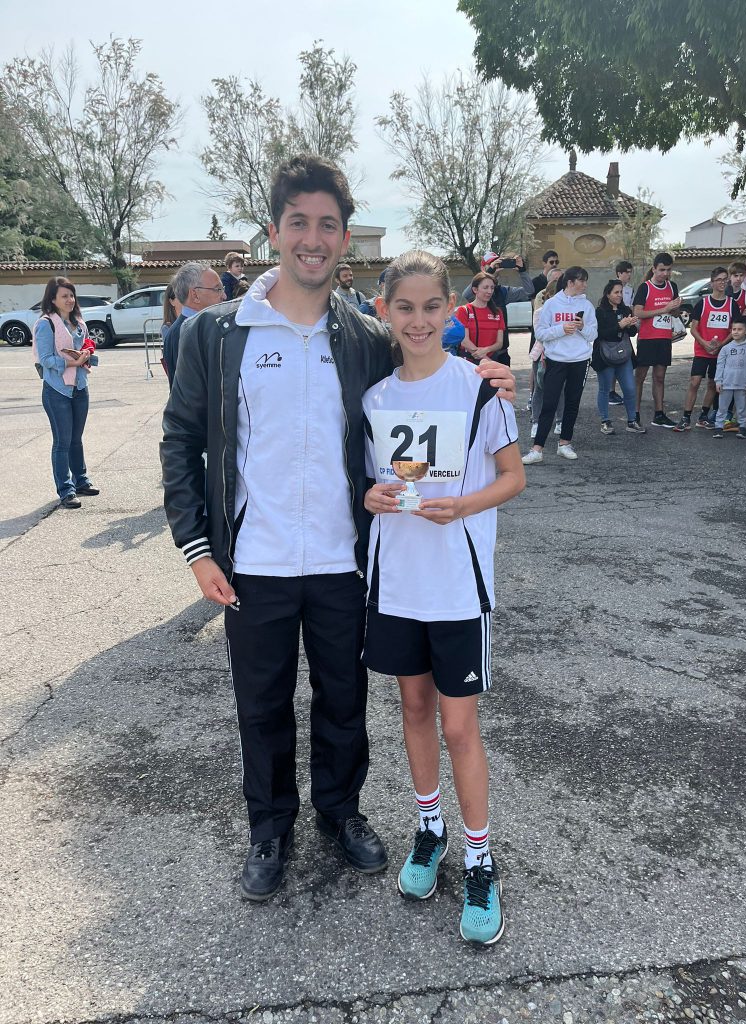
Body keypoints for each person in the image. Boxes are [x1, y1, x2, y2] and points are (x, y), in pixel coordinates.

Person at [159, 153, 516, 904]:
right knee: (260, 703)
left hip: (342, 559)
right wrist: (196, 549)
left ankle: (340, 811)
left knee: (343, 698)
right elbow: (181, 440)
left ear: (345, 238)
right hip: (252, 559)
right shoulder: (218, 334)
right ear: (273, 232)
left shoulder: (363, 337)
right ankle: (269, 828)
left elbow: (426, 363)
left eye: (328, 225)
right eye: (299, 223)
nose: (313, 239)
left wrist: (491, 375)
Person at [361, 250, 525, 946]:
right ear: (384, 312)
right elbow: (373, 484)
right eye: (405, 307)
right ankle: (430, 830)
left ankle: (481, 858)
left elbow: (513, 477)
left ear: (450, 309)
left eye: (432, 306)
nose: (419, 320)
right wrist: (371, 497)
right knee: (414, 709)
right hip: (399, 584)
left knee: (460, 727)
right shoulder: (374, 398)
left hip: (458, 586)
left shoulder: (480, 388)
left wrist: (461, 505)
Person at [33, 276, 100, 509]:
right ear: (53, 299)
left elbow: (85, 347)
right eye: (64, 296)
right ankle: (66, 490)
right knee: (62, 441)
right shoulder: (46, 324)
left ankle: (81, 481)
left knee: (76, 439)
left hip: (80, 387)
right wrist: (73, 362)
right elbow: (46, 359)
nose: (70, 299)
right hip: (57, 390)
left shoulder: (79, 323)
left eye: (71, 295)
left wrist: (87, 355)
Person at [521, 266, 597, 464]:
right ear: (570, 282)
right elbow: (540, 334)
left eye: (586, 281)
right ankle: (537, 449)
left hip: (580, 360)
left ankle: (565, 444)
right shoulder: (552, 304)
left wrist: (582, 327)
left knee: (572, 403)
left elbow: (593, 335)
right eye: (582, 280)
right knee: (549, 403)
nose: (585, 285)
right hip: (556, 360)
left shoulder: (587, 305)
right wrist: (561, 329)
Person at [673, 267, 739, 432]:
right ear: (712, 283)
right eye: (719, 280)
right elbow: (693, 328)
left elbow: (734, 330)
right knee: (694, 382)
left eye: (725, 279)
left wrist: (721, 345)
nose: (723, 282)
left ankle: (703, 416)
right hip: (702, 350)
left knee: (713, 383)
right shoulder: (703, 303)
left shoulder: (732, 304)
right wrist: (705, 343)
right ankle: (686, 417)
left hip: (720, 351)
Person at [632, 252, 680, 428]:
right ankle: (634, 414)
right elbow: (637, 312)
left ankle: (659, 414)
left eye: (668, 270)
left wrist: (675, 308)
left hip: (664, 338)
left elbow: (674, 313)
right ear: (654, 269)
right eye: (661, 270)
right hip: (647, 338)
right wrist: (663, 309)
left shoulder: (672, 286)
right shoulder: (645, 287)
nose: (665, 273)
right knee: (640, 377)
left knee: (660, 377)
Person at [461, 252, 535, 365]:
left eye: (497, 263)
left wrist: (522, 271)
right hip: (475, 355)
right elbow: (467, 295)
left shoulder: (503, 292)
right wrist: (489, 273)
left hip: (500, 353)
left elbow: (529, 292)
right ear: (483, 268)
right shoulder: (473, 295)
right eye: (492, 264)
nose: (489, 292)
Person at [162, 262, 225, 389]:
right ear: (195, 295)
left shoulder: (197, 328)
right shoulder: (184, 333)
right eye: (217, 289)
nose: (224, 296)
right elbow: (191, 391)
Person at [593, 279, 643, 434]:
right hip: (605, 354)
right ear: (608, 294)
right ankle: (605, 421)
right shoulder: (600, 311)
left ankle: (632, 421)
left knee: (630, 388)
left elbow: (632, 333)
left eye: (621, 292)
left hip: (624, 354)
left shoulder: (625, 309)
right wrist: (620, 325)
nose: (620, 295)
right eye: (616, 292)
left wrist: (632, 325)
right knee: (605, 389)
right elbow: (600, 334)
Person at [529, 272, 565, 438]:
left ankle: (559, 422)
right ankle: (536, 422)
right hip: (541, 354)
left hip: (560, 354)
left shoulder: (564, 312)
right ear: (549, 295)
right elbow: (540, 334)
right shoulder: (540, 312)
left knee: (560, 389)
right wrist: (559, 330)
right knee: (539, 389)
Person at [712, 320, 746, 439]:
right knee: (722, 407)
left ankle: (743, 427)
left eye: (739, 329)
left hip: (742, 383)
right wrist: (718, 381)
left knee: (742, 407)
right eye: (734, 329)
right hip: (726, 383)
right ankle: (718, 427)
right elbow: (720, 365)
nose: (736, 332)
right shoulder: (725, 348)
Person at [455, 272, 505, 360]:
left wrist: (487, 350)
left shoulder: (497, 312)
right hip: (470, 361)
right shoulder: (464, 310)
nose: (489, 291)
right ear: (475, 290)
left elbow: (499, 343)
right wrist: (486, 360)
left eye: (492, 288)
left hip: (491, 359)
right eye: (485, 287)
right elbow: (464, 341)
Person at [607, 260, 635, 406]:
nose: (629, 275)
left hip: (626, 326)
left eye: (631, 272)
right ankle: (610, 391)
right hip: (615, 326)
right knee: (613, 359)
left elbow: (631, 306)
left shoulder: (630, 289)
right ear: (619, 273)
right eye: (627, 272)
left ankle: (625, 391)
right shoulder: (611, 286)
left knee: (625, 358)